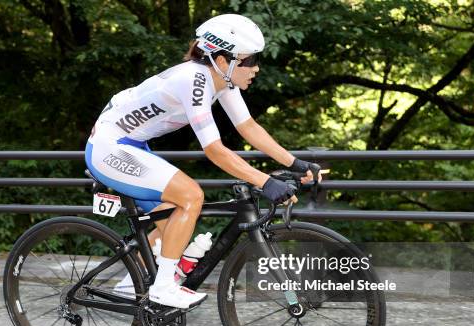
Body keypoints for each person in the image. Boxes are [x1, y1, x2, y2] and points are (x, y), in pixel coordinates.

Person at [85, 14, 320, 310]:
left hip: (133, 145)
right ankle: (163, 288)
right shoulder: (193, 80)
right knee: (191, 196)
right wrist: (264, 181)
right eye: (249, 61)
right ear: (223, 61)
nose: (256, 68)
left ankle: (127, 288)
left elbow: (248, 128)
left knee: (171, 218)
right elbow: (214, 149)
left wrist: (296, 164)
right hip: (109, 147)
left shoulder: (221, 81)